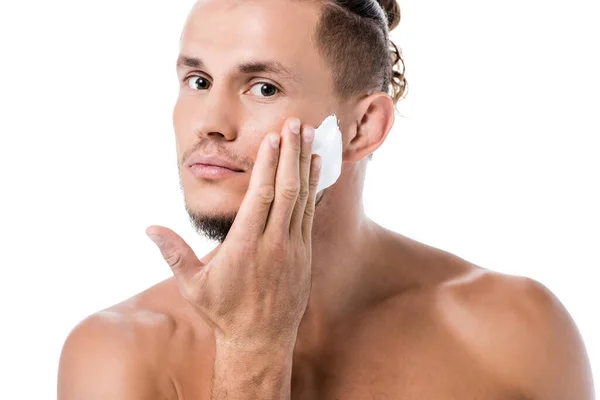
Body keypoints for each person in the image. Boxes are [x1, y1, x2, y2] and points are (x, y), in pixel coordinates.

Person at [57, 0, 595, 398]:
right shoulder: (116, 355)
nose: (210, 125)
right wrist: (252, 352)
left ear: (361, 127)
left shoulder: (517, 331)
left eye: (263, 87)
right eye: (197, 80)